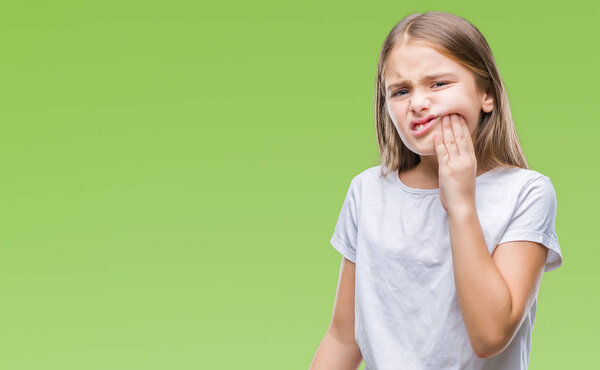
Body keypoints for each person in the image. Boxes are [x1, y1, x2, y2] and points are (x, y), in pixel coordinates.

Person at [309, 11, 563, 370]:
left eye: (438, 84)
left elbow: (489, 336)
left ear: (486, 94)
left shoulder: (526, 193)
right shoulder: (367, 191)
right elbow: (343, 337)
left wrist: (460, 203)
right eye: (400, 91)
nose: (417, 103)